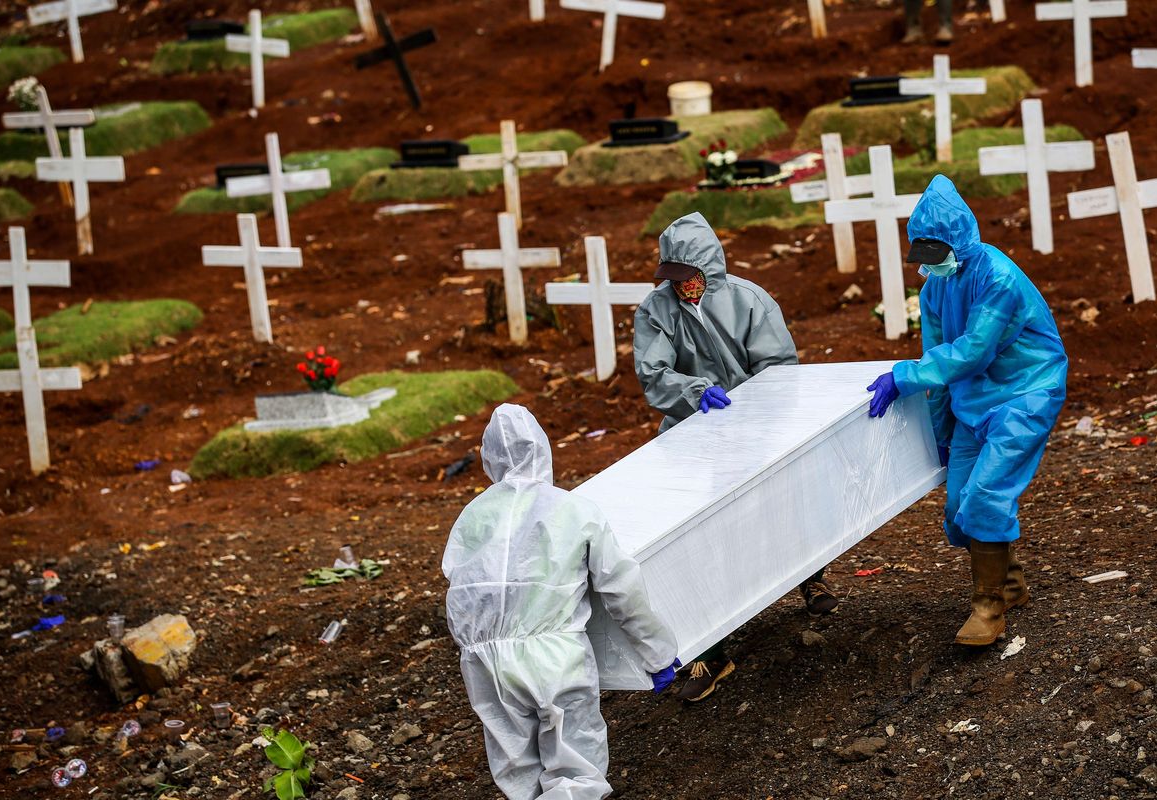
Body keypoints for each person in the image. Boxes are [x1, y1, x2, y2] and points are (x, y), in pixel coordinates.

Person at [633, 211, 840, 703]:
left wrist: (751, 410)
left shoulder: (749, 301)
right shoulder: (656, 311)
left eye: (690, 279)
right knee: (700, 535)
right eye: (674, 280)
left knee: (782, 503)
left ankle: (810, 578)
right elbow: (653, 372)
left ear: (709, 269)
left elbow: (778, 367)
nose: (683, 289)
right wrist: (695, 393)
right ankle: (711, 647)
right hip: (694, 432)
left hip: (758, 428)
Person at [866, 174, 1067, 647]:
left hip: (1025, 392)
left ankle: (988, 610)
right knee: (959, 507)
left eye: (937, 252)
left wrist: (904, 377)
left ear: (958, 239)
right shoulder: (936, 286)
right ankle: (1010, 581)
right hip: (975, 398)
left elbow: (974, 351)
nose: (930, 265)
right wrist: (940, 426)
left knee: (985, 495)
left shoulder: (997, 278)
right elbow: (939, 354)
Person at [442, 403, 680, 800]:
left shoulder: (471, 516)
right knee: (576, 773)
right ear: (543, 448)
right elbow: (621, 587)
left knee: (518, 773)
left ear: (488, 457)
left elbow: (463, 586)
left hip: (483, 662)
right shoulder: (572, 508)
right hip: (553, 657)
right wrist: (656, 652)